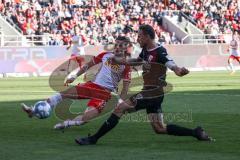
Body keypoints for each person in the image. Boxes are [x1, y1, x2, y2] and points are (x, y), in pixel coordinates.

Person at [76, 25, 212, 145]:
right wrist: (121, 61)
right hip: (153, 94)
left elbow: (172, 65)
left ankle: (93, 139)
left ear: (147, 36)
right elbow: (137, 61)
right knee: (159, 128)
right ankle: (196, 132)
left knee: (119, 108)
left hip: (152, 93)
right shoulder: (145, 51)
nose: (138, 39)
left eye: (140, 36)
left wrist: (179, 71)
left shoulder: (160, 51)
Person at [21, 36, 133, 130]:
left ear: (125, 48)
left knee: (85, 119)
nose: (117, 47)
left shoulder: (127, 65)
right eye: (116, 44)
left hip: (104, 94)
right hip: (92, 86)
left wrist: (120, 101)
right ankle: (33, 111)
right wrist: (74, 76)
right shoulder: (105, 55)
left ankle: (67, 123)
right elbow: (88, 65)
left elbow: (126, 87)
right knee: (62, 94)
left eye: (121, 45)